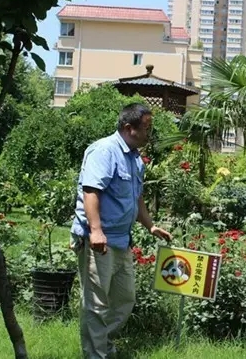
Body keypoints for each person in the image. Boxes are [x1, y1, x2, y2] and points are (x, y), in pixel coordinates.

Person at [70, 103, 172, 359]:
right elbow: (91, 191)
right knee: (96, 305)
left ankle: (104, 346)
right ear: (129, 128)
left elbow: (136, 198)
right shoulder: (104, 151)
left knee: (125, 300)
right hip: (98, 241)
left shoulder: (134, 158)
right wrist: (95, 230)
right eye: (147, 128)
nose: (150, 133)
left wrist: (150, 225)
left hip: (121, 240)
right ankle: (96, 355)